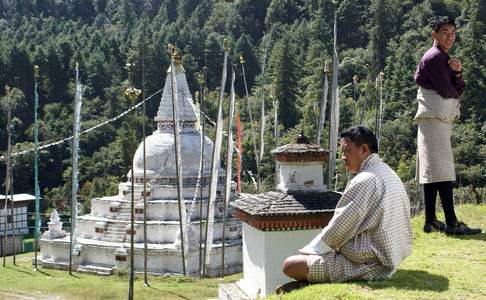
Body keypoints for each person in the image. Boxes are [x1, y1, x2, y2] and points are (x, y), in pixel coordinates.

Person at [277, 126, 412, 293]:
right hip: (391, 258)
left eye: (347, 151)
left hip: (371, 265)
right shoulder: (388, 172)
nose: (343, 157)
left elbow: (337, 231)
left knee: (290, 265)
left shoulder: (365, 180)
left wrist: (310, 252)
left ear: (364, 149)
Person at [414, 16, 481, 235]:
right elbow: (447, 91)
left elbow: (454, 87)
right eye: (444, 32)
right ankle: (450, 222)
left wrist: (457, 73)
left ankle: (431, 220)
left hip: (434, 119)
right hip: (434, 119)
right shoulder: (435, 57)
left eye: (453, 32)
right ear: (434, 34)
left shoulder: (443, 57)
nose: (449, 36)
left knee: (433, 170)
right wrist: (456, 81)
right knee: (441, 170)